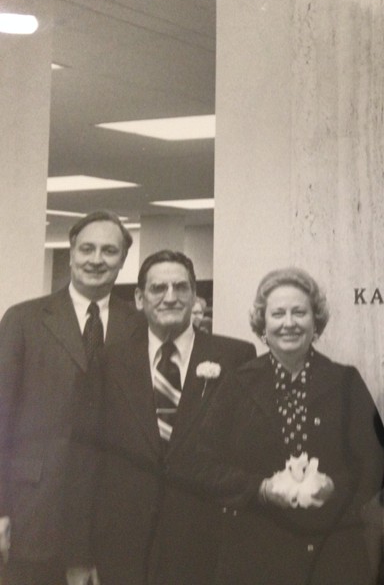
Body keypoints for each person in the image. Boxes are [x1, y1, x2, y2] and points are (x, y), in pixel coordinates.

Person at [177, 267, 384, 585]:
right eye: (278, 313)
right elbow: (199, 462)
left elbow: (378, 461)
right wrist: (260, 489)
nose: (289, 323)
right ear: (263, 324)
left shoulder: (345, 381)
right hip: (253, 558)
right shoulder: (236, 383)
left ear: (315, 321)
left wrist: (334, 487)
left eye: (299, 312)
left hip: (333, 556)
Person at [81, 250, 256, 585]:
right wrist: (81, 550)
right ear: (139, 298)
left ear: (194, 296)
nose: (170, 297)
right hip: (121, 541)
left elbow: (245, 450)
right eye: (158, 288)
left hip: (206, 539)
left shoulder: (235, 356)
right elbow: (87, 456)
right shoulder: (107, 361)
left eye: (181, 287)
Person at [0, 210, 141, 585]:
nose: (97, 260)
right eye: (88, 249)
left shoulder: (138, 326)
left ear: (124, 260)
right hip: (33, 512)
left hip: (109, 517)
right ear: (71, 251)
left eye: (109, 251)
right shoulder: (23, 320)